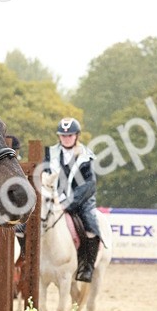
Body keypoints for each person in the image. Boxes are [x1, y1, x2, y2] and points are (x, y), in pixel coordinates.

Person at [44, 117, 102, 282]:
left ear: (76, 136)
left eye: (69, 135)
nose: (66, 138)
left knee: (91, 227)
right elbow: (43, 175)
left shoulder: (86, 156)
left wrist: (68, 203)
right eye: (63, 135)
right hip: (53, 200)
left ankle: (86, 267)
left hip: (81, 201)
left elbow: (89, 185)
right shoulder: (51, 153)